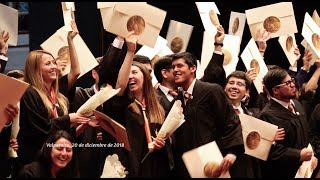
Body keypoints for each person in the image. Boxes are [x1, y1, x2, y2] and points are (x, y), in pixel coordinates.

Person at [15, 49, 90, 175]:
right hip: (36, 165)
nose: (54, 66)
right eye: (48, 63)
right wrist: (68, 119)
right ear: (35, 69)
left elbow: (62, 136)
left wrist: (83, 124)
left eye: (54, 63)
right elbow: (41, 129)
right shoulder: (30, 93)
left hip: (58, 166)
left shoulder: (59, 98)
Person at [171, 52, 244, 178]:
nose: (175, 70)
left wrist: (232, 152)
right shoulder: (176, 101)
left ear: (193, 68)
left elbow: (230, 121)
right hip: (187, 166)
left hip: (213, 162)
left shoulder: (211, 91)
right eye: (173, 67)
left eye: (179, 66)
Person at [224, 70, 285, 178]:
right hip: (224, 165)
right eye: (231, 83)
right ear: (225, 87)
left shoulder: (251, 114)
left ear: (246, 91)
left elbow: (253, 143)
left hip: (247, 168)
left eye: (240, 84)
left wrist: (268, 137)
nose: (234, 86)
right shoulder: (217, 111)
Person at [258, 68, 317, 178]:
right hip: (281, 172)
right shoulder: (267, 115)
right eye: (288, 83)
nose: (293, 85)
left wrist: (311, 153)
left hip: (303, 169)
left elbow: (306, 134)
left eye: (292, 81)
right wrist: (298, 155)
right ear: (275, 90)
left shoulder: (296, 104)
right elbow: (270, 151)